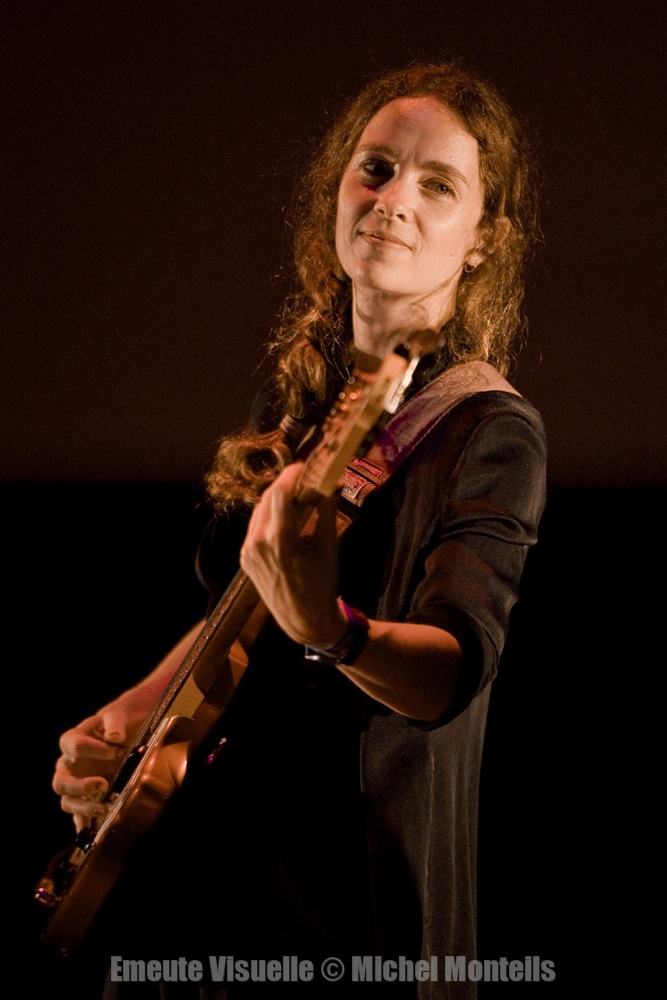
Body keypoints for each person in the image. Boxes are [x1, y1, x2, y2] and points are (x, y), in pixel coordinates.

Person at [50, 60, 547, 998]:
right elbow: (243, 610)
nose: (393, 200)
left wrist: (333, 629)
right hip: (218, 869)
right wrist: (133, 715)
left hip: (342, 900)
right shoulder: (302, 394)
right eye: (376, 169)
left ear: (484, 239)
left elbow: (452, 670)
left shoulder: (489, 429)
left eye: (438, 185)